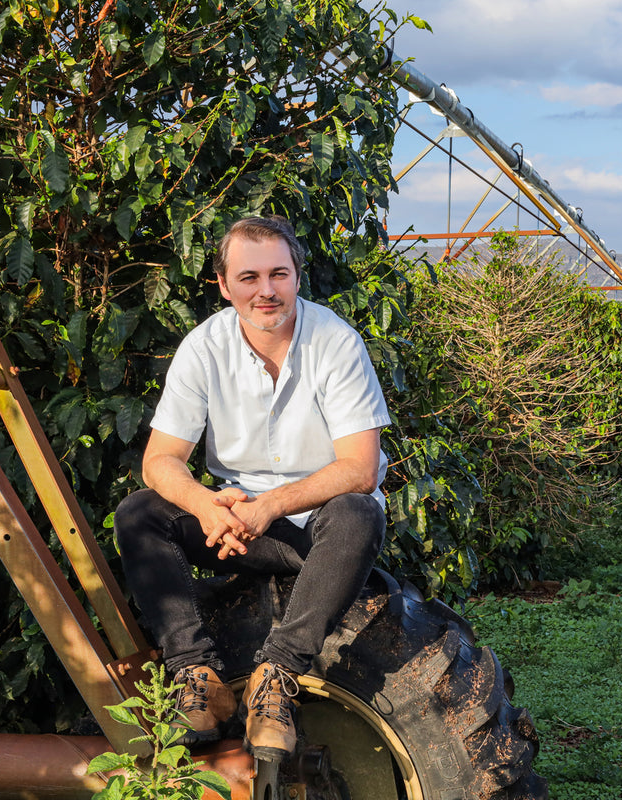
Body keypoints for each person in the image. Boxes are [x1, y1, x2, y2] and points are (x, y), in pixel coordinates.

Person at [114, 216, 390, 762]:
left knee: (359, 511)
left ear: (296, 277)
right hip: (236, 524)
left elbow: (361, 468)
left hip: (317, 530)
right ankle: (197, 676)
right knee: (140, 513)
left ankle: (277, 677)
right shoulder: (203, 347)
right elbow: (160, 461)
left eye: (278, 274)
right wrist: (205, 507)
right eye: (250, 277)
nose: (266, 291)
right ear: (224, 284)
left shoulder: (336, 342)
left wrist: (270, 507)